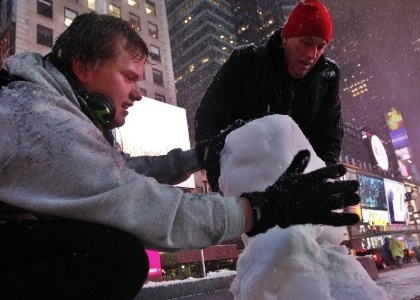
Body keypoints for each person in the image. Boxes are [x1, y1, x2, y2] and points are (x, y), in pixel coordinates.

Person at [0, 13, 361, 299]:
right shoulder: (41, 121)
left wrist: (198, 156)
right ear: (83, 67)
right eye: (129, 77)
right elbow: (136, 203)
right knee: (113, 255)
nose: (138, 94)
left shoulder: (51, 111)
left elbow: (121, 172)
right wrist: (262, 209)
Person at [194, 0, 342, 193]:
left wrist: (316, 184)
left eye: (321, 46)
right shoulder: (246, 61)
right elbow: (207, 121)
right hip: (242, 188)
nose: (313, 54)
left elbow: (329, 140)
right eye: (306, 42)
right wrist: (222, 181)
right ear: (285, 37)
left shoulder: (327, 77)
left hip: (296, 194)